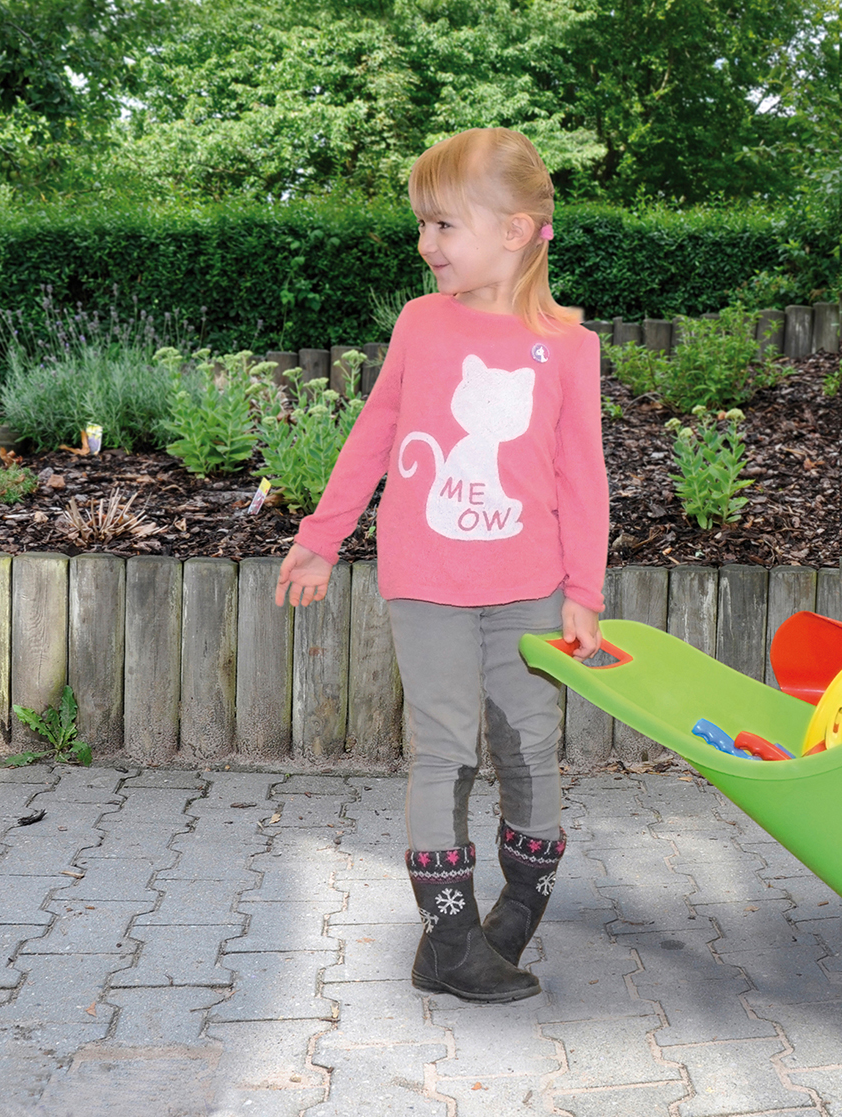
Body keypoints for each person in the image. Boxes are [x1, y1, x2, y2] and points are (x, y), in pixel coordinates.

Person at [274, 128, 608, 1003]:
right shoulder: (422, 323)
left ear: (515, 230)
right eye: (422, 224)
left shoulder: (570, 345)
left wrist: (584, 590)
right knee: (446, 751)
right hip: (426, 584)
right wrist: (321, 535)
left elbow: (583, 474)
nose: (426, 243)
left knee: (530, 747)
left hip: (531, 589)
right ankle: (450, 939)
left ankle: (515, 914)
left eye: (444, 225)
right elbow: (376, 432)